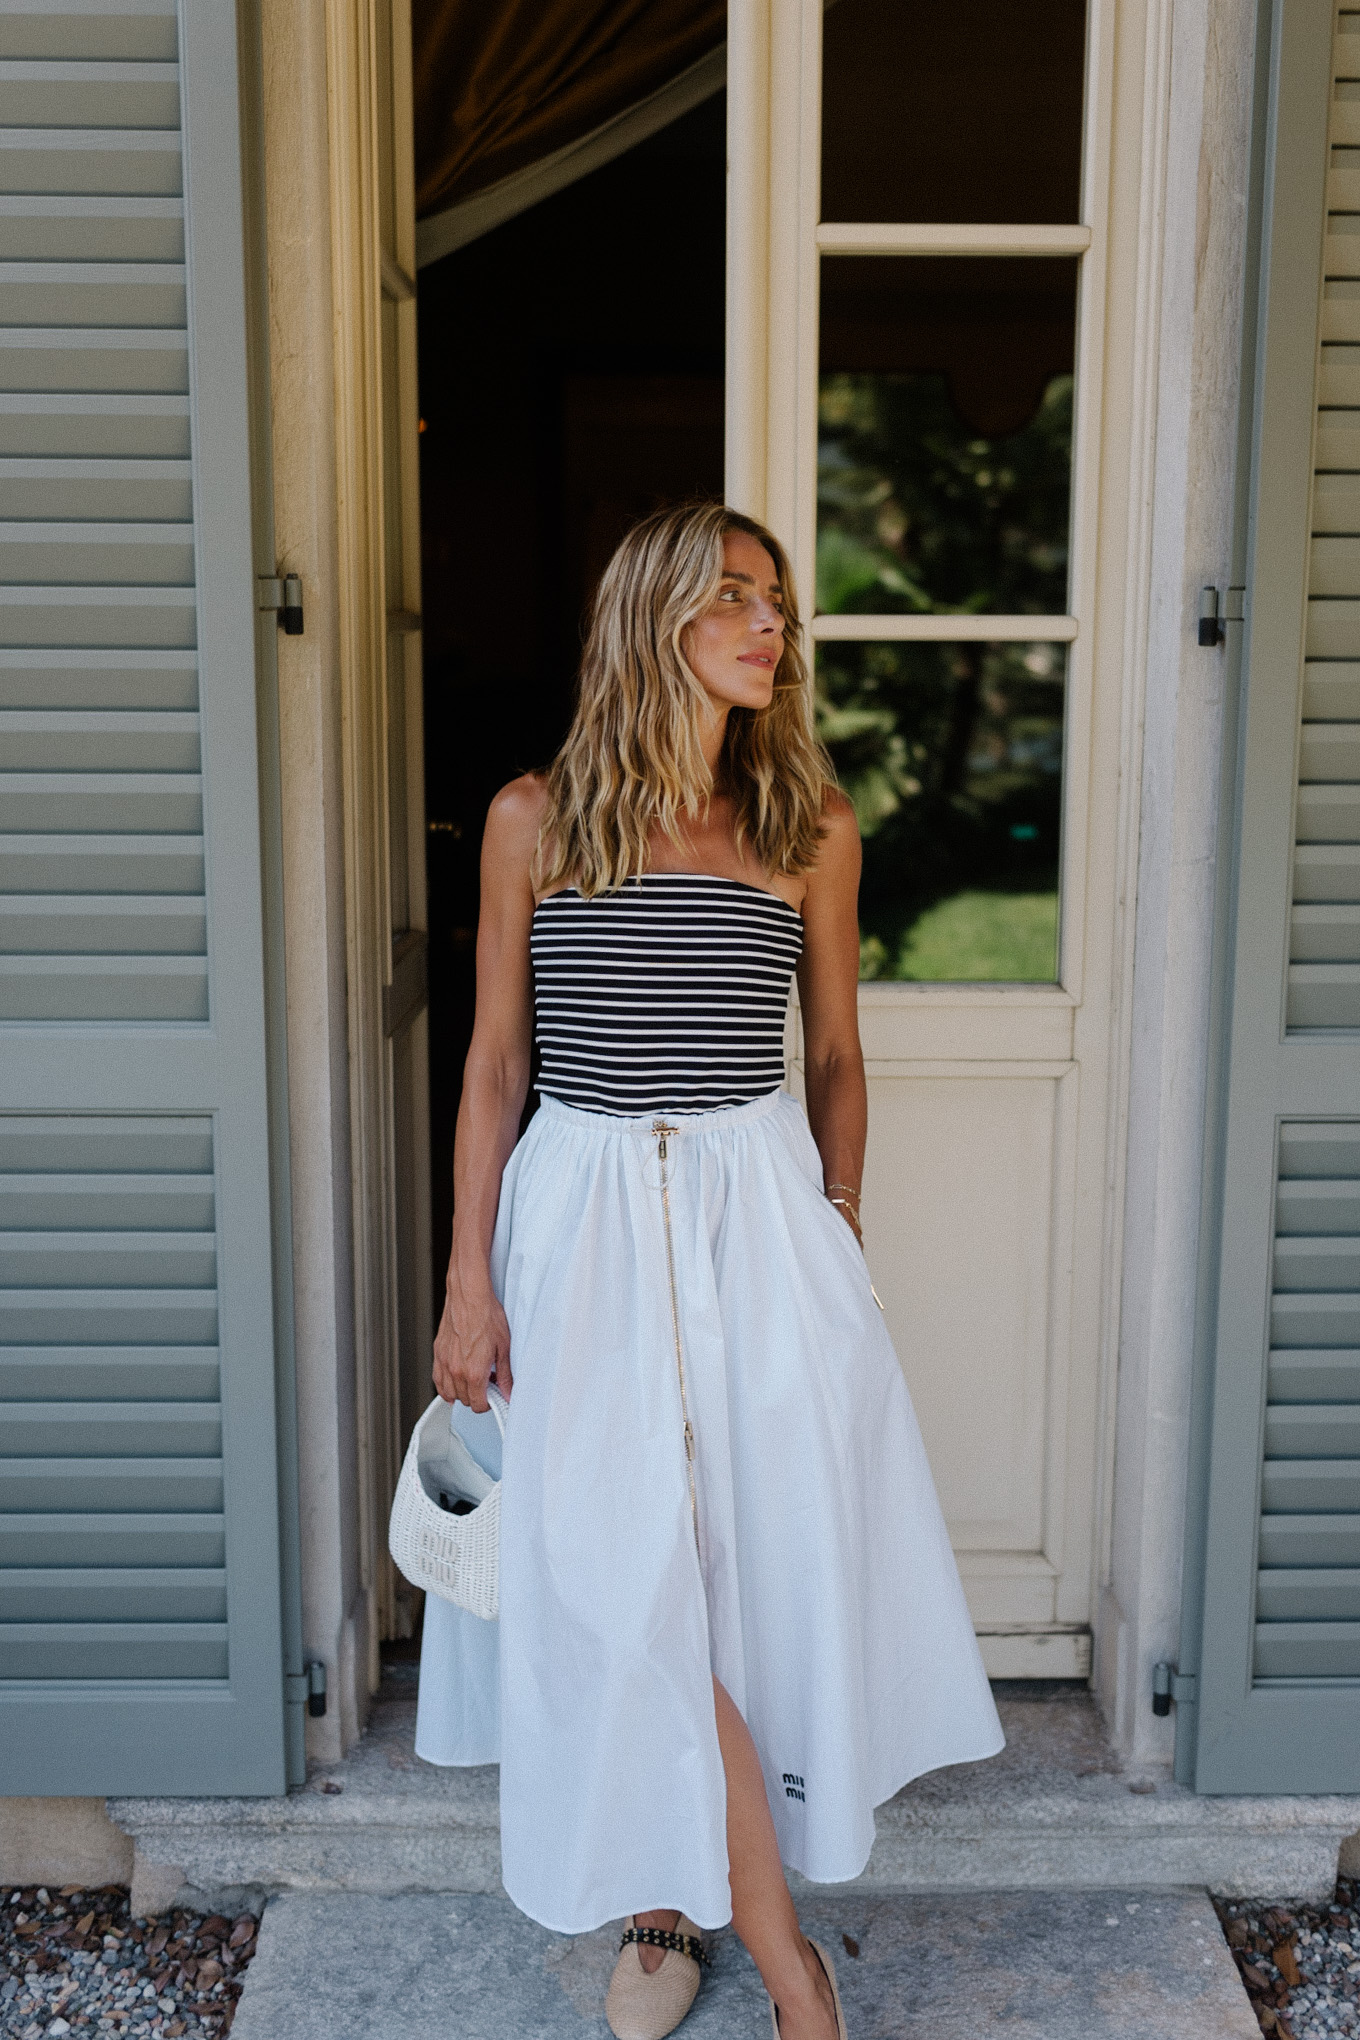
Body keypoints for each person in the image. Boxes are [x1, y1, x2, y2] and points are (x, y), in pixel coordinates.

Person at [417, 502, 1003, 2040]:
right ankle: (774, 1953)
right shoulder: (533, 821)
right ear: (654, 617)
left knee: (733, 1563)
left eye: (777, 605)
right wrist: (467, 1277)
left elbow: (837, 1057)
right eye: (734, 598)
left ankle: (681, 1904)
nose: (769, 627)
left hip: (759, 1217)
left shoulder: (808, 823)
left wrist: (838, 1222)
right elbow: (492, 1064)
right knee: (617, 1581)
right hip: (582, 1221)